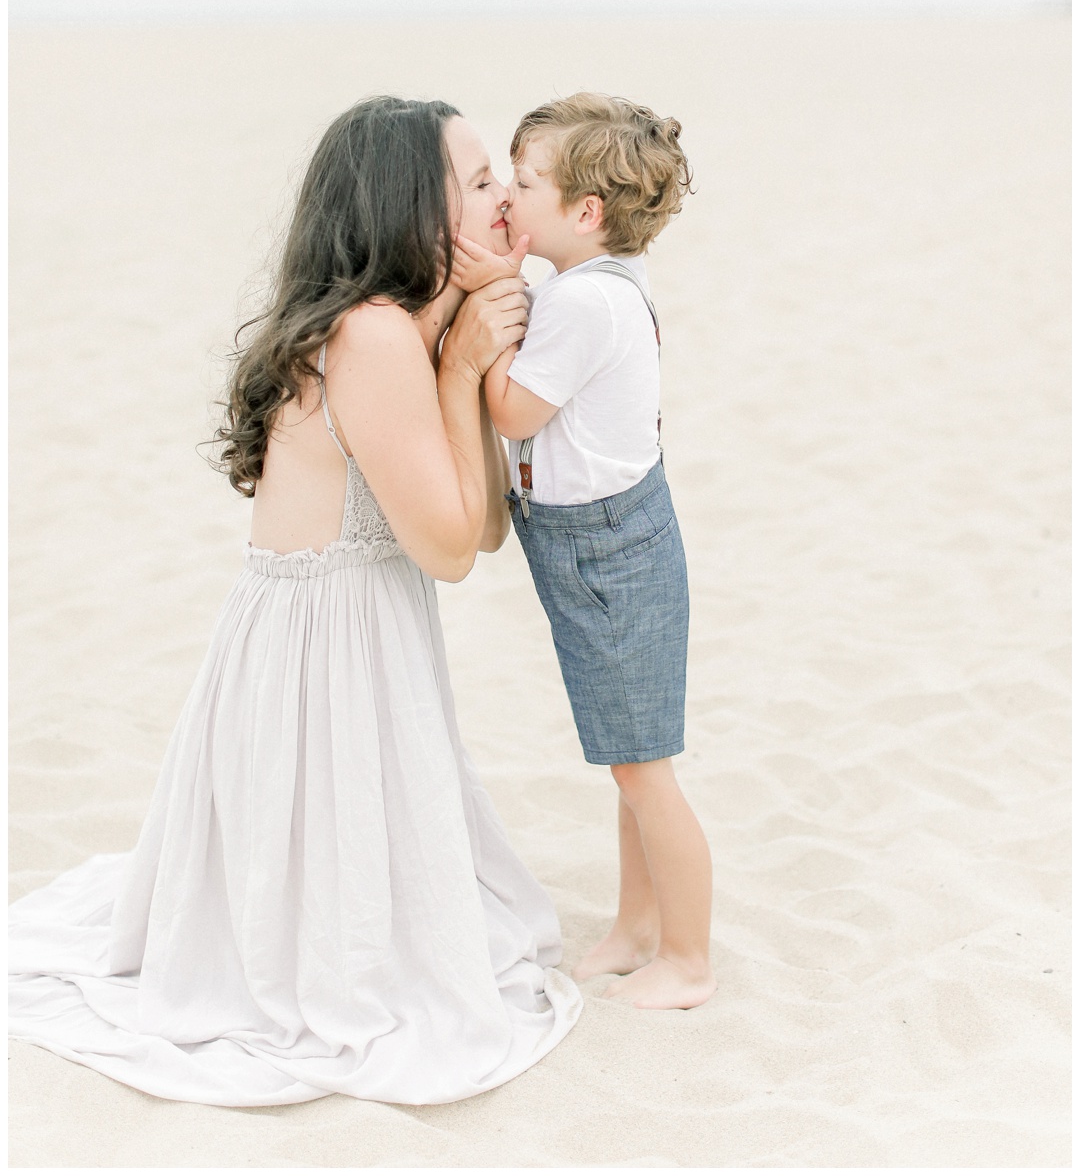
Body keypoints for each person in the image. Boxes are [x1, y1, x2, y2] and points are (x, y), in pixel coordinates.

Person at [9, 95, 582, 1106]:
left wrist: (468, 362)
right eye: (480, 178)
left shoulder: (407, 326)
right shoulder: (372, 336)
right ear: (413, 204)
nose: (505, 197)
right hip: (321, 654)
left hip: (348, 638)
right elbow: (453, 550)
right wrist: (457, 369)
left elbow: (482, 523)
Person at [452, 92, 716, 1011]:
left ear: (585, 213)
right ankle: (638, 927)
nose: (509, 198)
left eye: (524, 183)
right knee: (626, 757)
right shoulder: (584, 285)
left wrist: (480, 328)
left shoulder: (587, 304)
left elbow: (516, 410)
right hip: (602, 541)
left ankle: (687, 957)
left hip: (608, 551)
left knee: (647, 769)